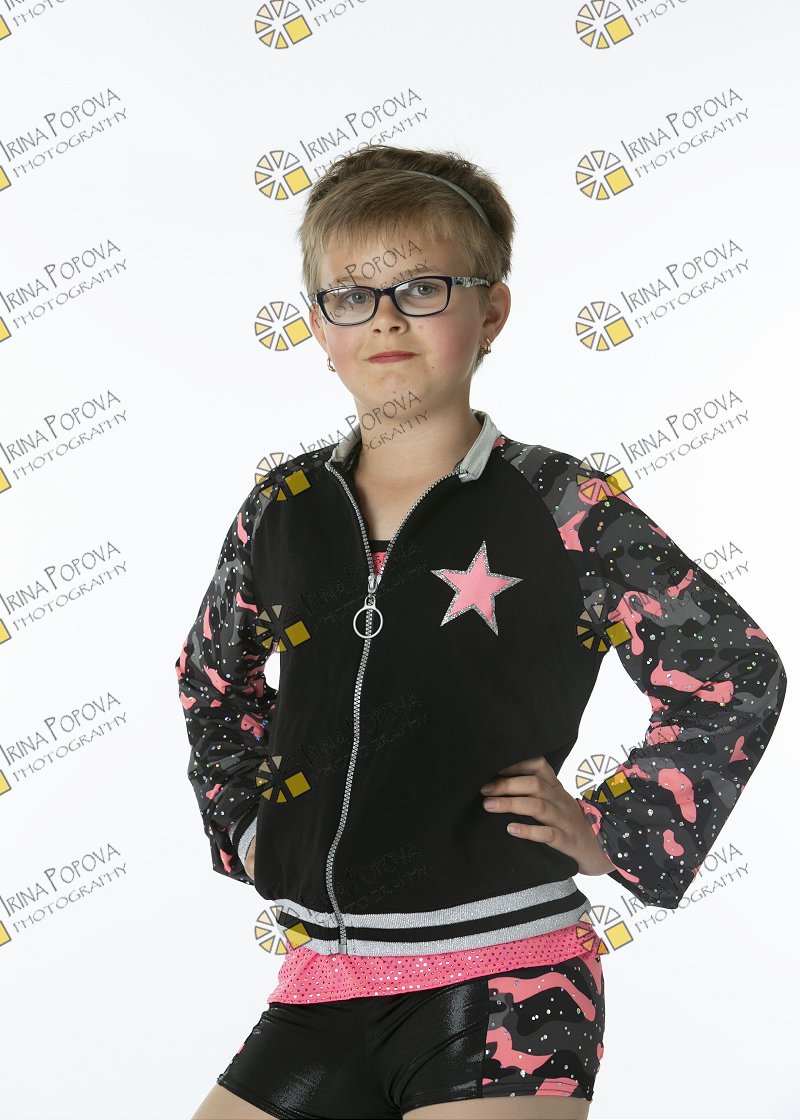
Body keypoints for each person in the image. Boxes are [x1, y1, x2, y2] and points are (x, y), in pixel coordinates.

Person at [176, 146, 787, 1120]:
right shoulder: (280, 509)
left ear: (491, 311)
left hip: (509, 983)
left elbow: (731, 668)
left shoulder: (562, 506)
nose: (385, 318)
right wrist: (251, 830)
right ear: (318, 327)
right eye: (351, 296)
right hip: (322, 982)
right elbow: (212, 681)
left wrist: (615, 827)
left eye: (422, 289)